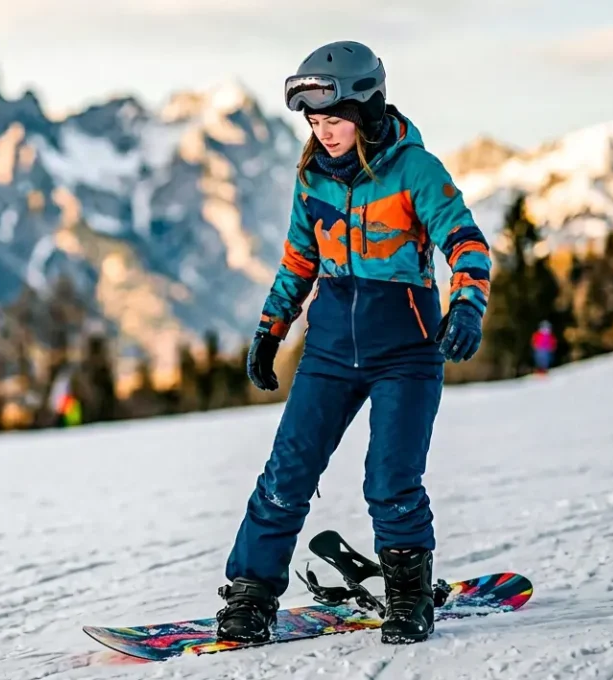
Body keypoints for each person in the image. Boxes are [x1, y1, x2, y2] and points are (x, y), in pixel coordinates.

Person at [221, 41, 492, 646]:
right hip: (329, 353)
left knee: (391, 480)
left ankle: (407, 596)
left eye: (334, 120)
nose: (325, 133)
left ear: (367, 109)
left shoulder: (414, 170)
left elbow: (466, 243)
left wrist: (467, 305)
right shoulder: (313, 176)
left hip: (407, 351)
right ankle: (251, 594)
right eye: (315, 123)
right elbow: (299, 259)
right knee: (285, 475)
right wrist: (271, 328)